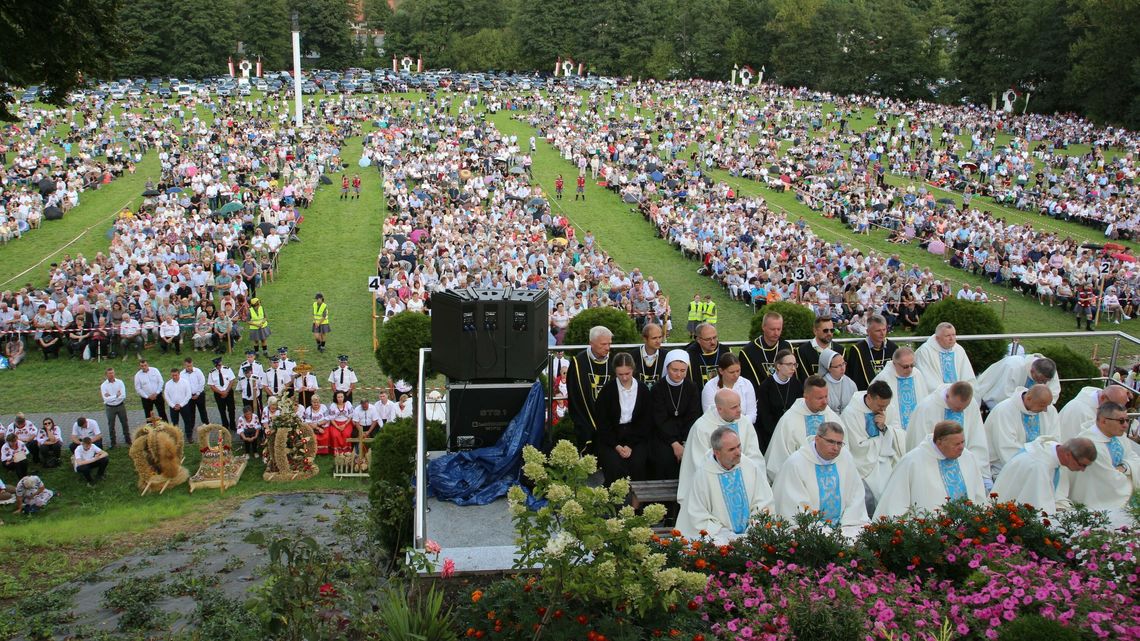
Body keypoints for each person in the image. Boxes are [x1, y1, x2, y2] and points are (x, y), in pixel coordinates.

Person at [676, 426, 774, 543]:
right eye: (731, 449)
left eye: (739, 446)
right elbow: (697, 515)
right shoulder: (703, 476)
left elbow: (763, 502)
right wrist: (726, 535)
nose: (738, 452)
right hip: (720, 538)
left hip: (752, 534)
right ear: (717, 453)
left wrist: (753, 528)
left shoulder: (750, 467)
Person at [873, 420, 988, 519]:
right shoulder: (912, 462)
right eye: (956, 444)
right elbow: (895, 503)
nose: (961, 447)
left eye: (963, 442)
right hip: (929, 532)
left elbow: (978, 495)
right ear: (939, 442)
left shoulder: (968, 457)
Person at [772, 421, 869, 533]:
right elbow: (794, 505)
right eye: (831, 442)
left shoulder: (845, 458)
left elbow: (856, 494)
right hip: (810, 528)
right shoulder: (796, 463)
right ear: (817, 439)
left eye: (839, 443)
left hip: (845, 525)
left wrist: (847, 523)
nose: (836, 448)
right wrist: (824, 530)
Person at [677, 388, 766, 509]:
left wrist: (746, 472)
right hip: (714, 481)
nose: (739, 410)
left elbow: (754, 454)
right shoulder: (702, 427)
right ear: (720, 409)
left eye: (739, 405)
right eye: (734, 407)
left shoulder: (744, 422)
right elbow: (699, 462)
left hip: (744, 476)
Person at [906, 381, 991, 487]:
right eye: (958, 408)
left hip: (965, 468)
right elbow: (918, 443)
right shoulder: (926, 408)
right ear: (947, 396)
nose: (960, 412)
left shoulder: (970, 404)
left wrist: (982, 473)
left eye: (964, 408)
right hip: (933, 469)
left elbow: (977, 438)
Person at [1068, 402, 1140, 521]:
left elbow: (1134, 458)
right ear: (1103, 421)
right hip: (1096, 504)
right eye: (1121, 421)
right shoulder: (1089, 445)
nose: (1126, 425)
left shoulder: (1119, 437)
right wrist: (1130, 471)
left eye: (1127, 420)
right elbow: (1109, 480)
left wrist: (1125, 467)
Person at [991, 436, 1097, 515]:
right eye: (1082, 464)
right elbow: (1039, 510)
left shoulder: (1050, 452)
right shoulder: (1039, 466)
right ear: (1068, 455)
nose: (1083, 470)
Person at [765, 376, 843, 482]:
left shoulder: (832, 417)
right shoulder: (789, 420)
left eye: (826, 396)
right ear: (806, 397)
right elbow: (780, 458)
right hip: (798, 479)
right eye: (819, 398)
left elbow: (843, 452)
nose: (825, 402)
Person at [593, 352, 653, 483]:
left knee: (638, 463)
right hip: (612, 435)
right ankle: (615, 495)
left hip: (636, 435)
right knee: (613, 464)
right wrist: (616, 446)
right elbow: (602, 421)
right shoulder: (607, 390)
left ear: (633, 370)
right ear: (615, 372)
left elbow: (645, 421)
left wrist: (630, 445)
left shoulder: (643, 390)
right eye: (620, 374)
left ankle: (638, 496)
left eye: (627, 373)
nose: (624, 378)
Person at [839, 381, 903, 502]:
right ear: (869, 398)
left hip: (886, 460)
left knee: (894, 492)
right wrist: (881, 441)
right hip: (865, 463)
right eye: (880, 406)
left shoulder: (888, 408)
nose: (883, 410)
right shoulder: (850, 414)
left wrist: (884, 428)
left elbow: (898, 434)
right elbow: (857, 447)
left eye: (886, 406)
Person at [985, 385, 1060, 478]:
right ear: (1028, 399)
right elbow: (1006, 447)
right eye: (1042, 406)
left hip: (1042, 467)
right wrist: (1033, 466)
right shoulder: (1004, 411)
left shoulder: (1049, 409)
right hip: (1005, 469)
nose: (1045, 410)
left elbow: (1053, 439)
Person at [649, 349, 702, 480]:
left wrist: (684, 442)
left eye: (683, 371)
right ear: (667, 368)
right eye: (675, 370)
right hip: (663, 435)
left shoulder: (691, 387)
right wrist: (674, 443)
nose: (679, 374)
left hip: (686, 435)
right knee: (664, 458)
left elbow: (693, 416)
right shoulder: (657, 388)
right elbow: (659, 419)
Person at [567, 326, 615, 452]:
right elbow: (575, 397)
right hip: (585, 417)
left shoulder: (613, 361)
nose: (607, 348)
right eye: (603, 344)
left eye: (609, 343)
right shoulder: (578, 363)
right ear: (591, 343)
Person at [871, 347, 931, 433]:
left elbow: (924, 400)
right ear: (895, 363)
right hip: (895, 431)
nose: (910, 369)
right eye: (905, 366)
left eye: (912, 365)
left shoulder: (917, 374)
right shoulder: (883, 378)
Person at [755, 349, 803, 454]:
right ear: (778, 366)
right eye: (789, 364)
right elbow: (764, 417)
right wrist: (779, 433)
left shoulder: (797, 385)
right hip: (771, 434)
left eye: (795, 365)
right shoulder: (766, 387)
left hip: (792, 432)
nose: (793, 368)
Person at [974, 354, 1060, 410]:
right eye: (1040, 380)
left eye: (1045, 381)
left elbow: (1053, 395)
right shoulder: (1014, 366)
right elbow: (1003, 396)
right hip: (996, 398)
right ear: (1032, 370)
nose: (1042, 383)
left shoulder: (1050, 371)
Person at [1057, 382, 1132, 440]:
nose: (1117, 411)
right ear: (1103, 398)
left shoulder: (1101, 397)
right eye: (1114, 406)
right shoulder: (1082, 412)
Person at [844, 314, 899, 390]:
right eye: (878, 331)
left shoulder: (893, 348)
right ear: (868, 331)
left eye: (884, 329)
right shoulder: (857, 350)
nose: (882, 333)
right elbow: (854, 377)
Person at [701, 353, 758, 427]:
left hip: (744, 427)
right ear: (721, 371)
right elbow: (710, 415)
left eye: (738, 371)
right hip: (718, 429)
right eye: (731, 372)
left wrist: (740, 426)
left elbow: (752, 414)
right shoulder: (710, 387)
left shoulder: (747, 384)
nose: (736, 375)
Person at [739, 311, 792, 389]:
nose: (776, 333)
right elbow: (747, 383)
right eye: (772, 329)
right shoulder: (748, 351)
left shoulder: (787, 347)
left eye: (779, 329)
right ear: (763, 327)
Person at [686, 322, 730, 388]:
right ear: (698, 340)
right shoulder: (689, 355)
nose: (713, 342)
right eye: (708, 339)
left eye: (714, 337)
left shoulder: (726, 351)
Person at [794, 315, 835, 381]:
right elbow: (803, 379)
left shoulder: (840, 351)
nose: (829, 333)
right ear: (815, 331)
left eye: (832, 330)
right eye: (825, 330)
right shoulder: (802, 351)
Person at [819, 348, 857, 414]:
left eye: (843, 364)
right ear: (829, 368)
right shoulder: (821, 385)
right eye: (838, 366)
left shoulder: (850, 383)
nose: (842, 368)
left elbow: (856, 406)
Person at [100, 367, 130, 448]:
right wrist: (116, 395)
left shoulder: (120, 382)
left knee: (124, 423)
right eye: (110, 373)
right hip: (110, 408)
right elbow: (106, 399)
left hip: (120, 405)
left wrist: (111, 397)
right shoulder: (103, 385)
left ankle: (128, 440)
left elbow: (123, 396)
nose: (112, 375)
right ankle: (113, 443)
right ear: (106, 375)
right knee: (111, 425)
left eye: (113, 373)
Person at [164, 367, 195, 438]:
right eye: (173, 375)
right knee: (174, 423)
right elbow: (166, 396)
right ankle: (176, 437)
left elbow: (188, 394)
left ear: (179, 374)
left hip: (184, 406)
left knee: (187, 421)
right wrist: (172, 405)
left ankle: (189, 436)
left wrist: (181, 405)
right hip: (173, 407)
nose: (174, 377)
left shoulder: (185, 382)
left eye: (176, 375)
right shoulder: (168, 384)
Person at [633, 322, 665, 389]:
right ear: (644, 339)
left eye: (660, 337)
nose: (658, 341)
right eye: (654, 338)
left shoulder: (666, 356)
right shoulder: (633, 356)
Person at [208, 357, 237, 429]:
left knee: (231, 409)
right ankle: (225, 425)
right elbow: (211, 385)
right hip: (218, 394)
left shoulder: (227, 369)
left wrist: (226, 391)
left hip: (228, 392)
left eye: (219, 365)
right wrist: (221, 392)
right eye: (217, 365)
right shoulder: (211, 373)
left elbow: (232, 381)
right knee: (222, 410)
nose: (218, 367)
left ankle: (233, 425)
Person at [326, 390, 354, 454]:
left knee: (346, 434)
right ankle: (337, 451)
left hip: (346, 423)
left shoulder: (348, 403)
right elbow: (331, 419)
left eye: (341, 397)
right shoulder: (333, 405)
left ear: (344, 397)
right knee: (335, 435)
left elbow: (350, 416)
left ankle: (347, 451)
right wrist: (337, 427)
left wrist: (345, 425)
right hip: (335, 423)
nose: (340, 399)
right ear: (336, 398)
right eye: (338, 397)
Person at [183, 357, 209, 425]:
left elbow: (202, 382)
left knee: (202, 411)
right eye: (187, 366)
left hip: (199, 395)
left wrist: (197, 393)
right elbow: (182, 386)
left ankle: (206, 425)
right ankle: (191, 427)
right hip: (189, 396)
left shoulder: (198, 371)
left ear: (192, 364)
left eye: (190, 365)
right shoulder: (182, 374)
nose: (189, 367)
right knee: (191, 412)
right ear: (184, 365)